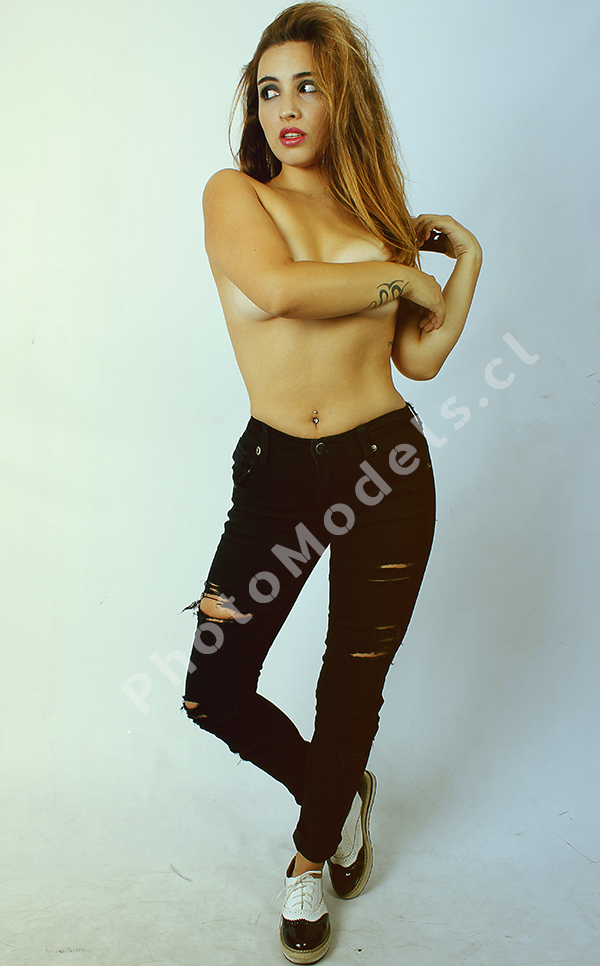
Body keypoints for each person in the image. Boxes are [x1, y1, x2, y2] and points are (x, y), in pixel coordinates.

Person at [182, 2, 482, 962]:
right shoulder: (237, 195)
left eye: (305, 85)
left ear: (340, 96)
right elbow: (279, 289)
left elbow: (420, 360)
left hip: (386, 465)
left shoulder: (378, 219)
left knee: (349, 687)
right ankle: (341, 790)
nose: (285, 107)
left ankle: (310, 858)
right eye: (268, 90)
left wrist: (463, 266)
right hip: (276, 470)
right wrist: (404, 279)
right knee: (214, 689)